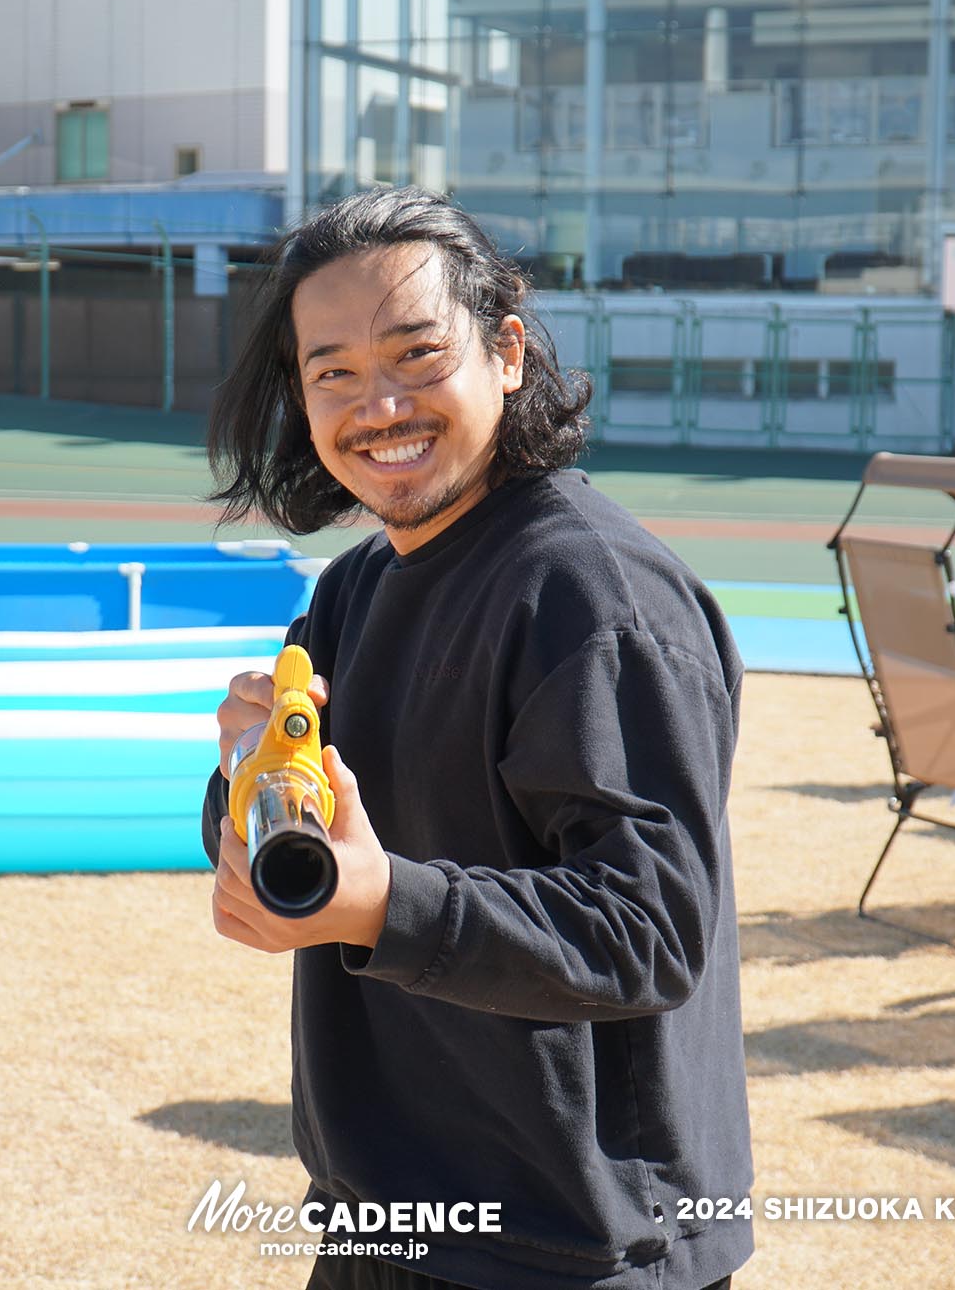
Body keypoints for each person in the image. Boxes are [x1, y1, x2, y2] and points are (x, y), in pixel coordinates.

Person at [200, 188, 751, 1290]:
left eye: (415, 353)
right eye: (334, 373)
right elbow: (319, 856)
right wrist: (244, 789)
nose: (379, 403)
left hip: (574, 1247)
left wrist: (382, 903)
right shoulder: (357, 587)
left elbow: (647, 929)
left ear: (505, 350)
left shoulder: (592, 594)